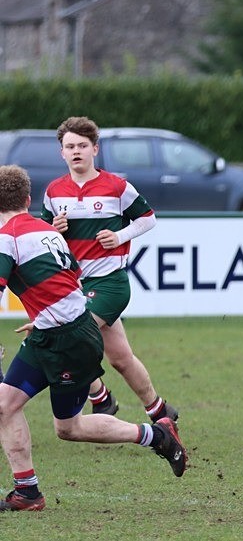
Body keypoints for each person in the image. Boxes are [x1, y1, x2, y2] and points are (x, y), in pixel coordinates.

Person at [0, 164, 186, 512]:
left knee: (69, 428)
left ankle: (156, 435)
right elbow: (72, 276)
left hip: (68, 339)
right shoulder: (46, 230)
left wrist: (54, 317)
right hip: (55, 333)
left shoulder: (7, 238)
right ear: (27, 199)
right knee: (5, 405)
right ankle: (27, 492)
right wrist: (48, 315)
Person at [41, 117, 177, 423]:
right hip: (73, 286)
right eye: (70, 147)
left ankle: (101, 397)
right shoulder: (54, 191)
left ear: (95, 149)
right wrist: (54, 229)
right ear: (62, 153)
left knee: (68, 338)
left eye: (82, 145)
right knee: (120, 358)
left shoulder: (116, 187)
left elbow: (148, 218)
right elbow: (45, 237)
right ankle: (160, 411)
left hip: (108, 283)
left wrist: (119, 236)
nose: (76, 151)